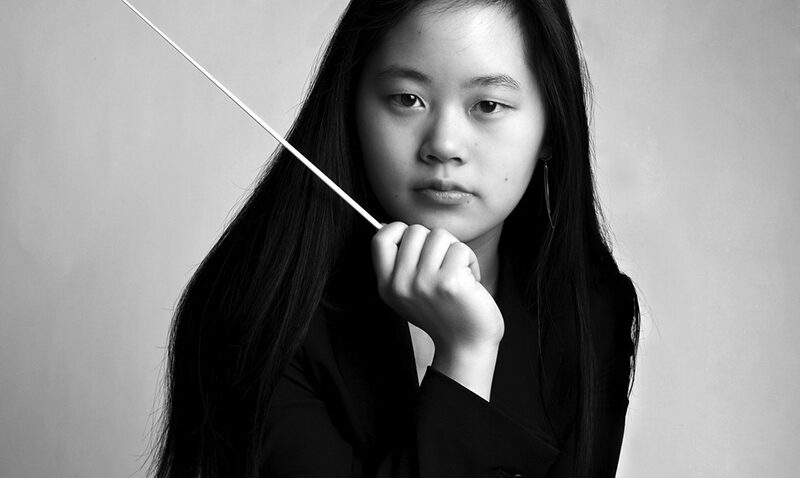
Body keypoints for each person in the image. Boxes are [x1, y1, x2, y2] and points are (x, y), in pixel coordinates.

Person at [152, 0, 641, 477]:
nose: (444, 145)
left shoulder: (593, 312)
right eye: (407, 99)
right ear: (351, 107)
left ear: (551, 127)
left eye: (488, 105)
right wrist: (465, 355)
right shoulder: (260, 313)